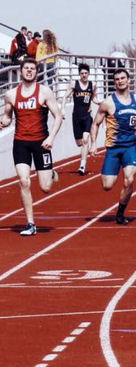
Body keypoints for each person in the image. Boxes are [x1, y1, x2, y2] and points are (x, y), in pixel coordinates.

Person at [0, 58, 63, 236]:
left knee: (45, 188)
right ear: (21, 71)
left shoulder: (45, 92)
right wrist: (3, 122)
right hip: (20, 143)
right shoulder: (11, 95)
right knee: (24, 181)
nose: (29, 71)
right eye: (26, 68)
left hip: (41, 143)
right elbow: (7, 116)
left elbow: (58, 116)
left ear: (36, 72)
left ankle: (50, 172)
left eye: (32, 69)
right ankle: (30, 223)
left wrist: (51, 137)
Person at [89, 68, 136, 224]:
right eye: (117, 79)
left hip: (130, 147)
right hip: (113, 148)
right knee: (107, 185)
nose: (120, 81)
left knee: (129, 179)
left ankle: (120, 213)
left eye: (123, 78)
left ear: (129, 80)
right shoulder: (108, 103)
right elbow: (95, 124)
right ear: (114, 82)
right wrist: (93, 144)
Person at [60, 63, 99, 175]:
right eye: (82, 73)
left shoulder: (93, 85)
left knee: (85, 139)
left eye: (86, 73)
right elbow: (65, 97)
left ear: (89, 74)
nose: (84, 75)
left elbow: (94, 99)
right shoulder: (74, 84)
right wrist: (62, 109)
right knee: (79, 143)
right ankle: (85, 152)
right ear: (79, 74)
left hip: (87, 116)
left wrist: (101, 102)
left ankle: (82, 166)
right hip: (76, 116)